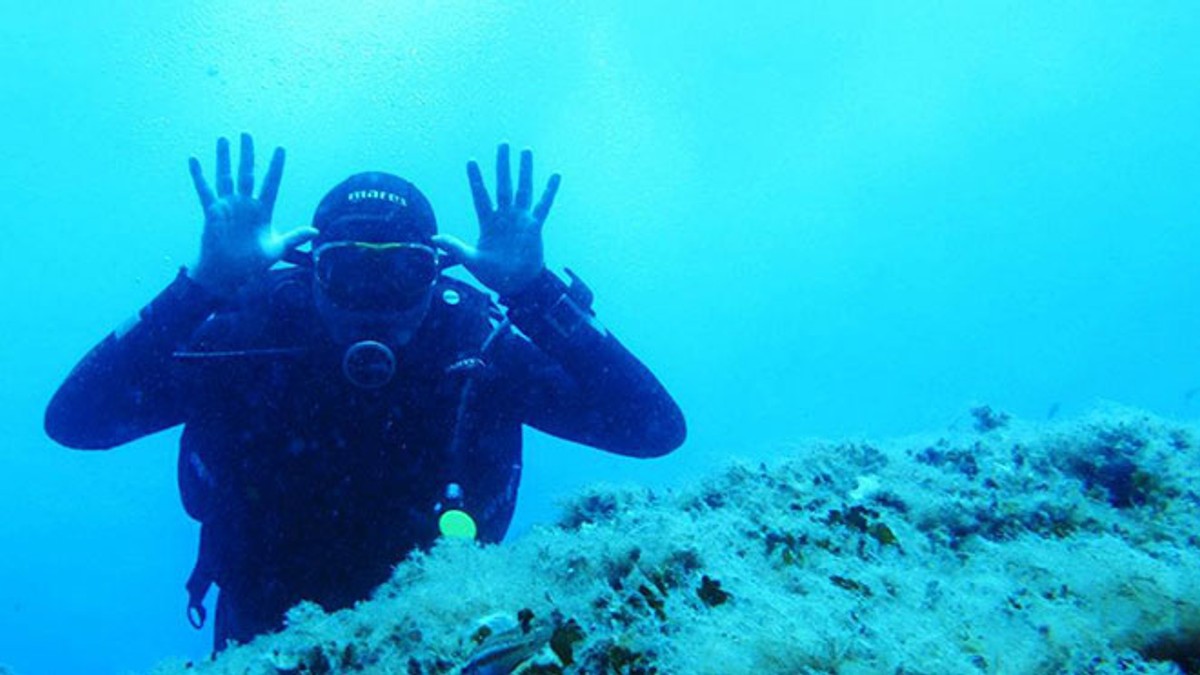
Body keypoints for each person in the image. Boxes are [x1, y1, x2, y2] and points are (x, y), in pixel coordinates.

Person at [44, 134, 685, 649]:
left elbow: (653, 429)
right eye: (349, 271)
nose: (374, 302)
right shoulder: (250, 338)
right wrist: (201, 288)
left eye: (403, 272)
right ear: (310, 269)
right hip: (264, 637)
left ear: (437, 273)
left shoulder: (475, 346)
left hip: (445, 642)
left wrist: (536, 293)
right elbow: (75, 420)